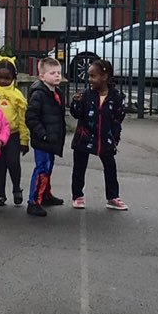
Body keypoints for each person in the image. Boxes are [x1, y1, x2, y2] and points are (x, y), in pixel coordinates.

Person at [70, 59, 128, 211]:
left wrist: (115, 137)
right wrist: (75, 103)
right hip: (84, 137)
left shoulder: (116, 98)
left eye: (93, 76)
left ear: (105, 77)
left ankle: (112, 197)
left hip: (105, 139)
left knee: (110, 167)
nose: (89, 79)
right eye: (88, 76)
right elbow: (76, 114)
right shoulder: (85, 95)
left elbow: (118, 119)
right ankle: (77, 195)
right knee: (79, 167)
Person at [25, 58, 68, 217]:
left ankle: (45, 195)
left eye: (59, 72)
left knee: (48, 167)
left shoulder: (57, 93)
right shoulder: (39, 94)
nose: (57, 76)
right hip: (43, 140)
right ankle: (34, 201)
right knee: (42, 168)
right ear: (42, 76)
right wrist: (42, 134)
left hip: (52, 139)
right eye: (52, 73)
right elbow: (31, 118)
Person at [0, 56, 29, 206]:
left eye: (7, 78)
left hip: (13, 135)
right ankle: (1, 194)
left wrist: (24, 140)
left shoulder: (17, 95)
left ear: (14, 78)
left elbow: (22, 119)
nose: (2, 81)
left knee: (13, 163)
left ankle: (16, 189)